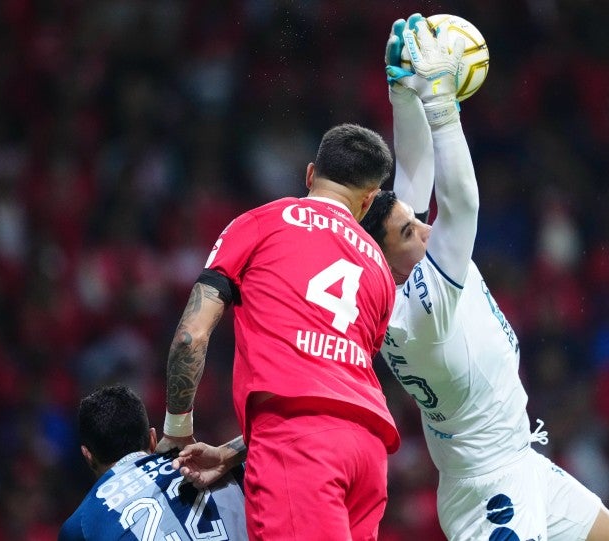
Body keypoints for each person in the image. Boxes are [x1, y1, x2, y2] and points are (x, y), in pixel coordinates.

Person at [359, 15, 609, 540]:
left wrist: (403, 92)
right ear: (387, 255)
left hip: (516, 462)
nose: (425, 230)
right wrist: (442, 106)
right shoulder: (423, 312)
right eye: (409, 232)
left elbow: (414, 174)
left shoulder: (388, 281)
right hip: (489, 489)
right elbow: (462, 203)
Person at [156, 123, 400, 540]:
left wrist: (176, 431)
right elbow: (335, 392)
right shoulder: (379, 269)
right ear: (369, 199)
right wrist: (232, 454)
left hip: (297, 447)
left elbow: (189, 337)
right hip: (369, 455)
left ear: (310, 174)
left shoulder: (261, 223)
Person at [60, 385, 247, 541]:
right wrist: (228, 453)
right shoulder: (218, 466)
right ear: (152, 438)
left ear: (88, 455)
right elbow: (271, 441)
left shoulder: (80, 527)